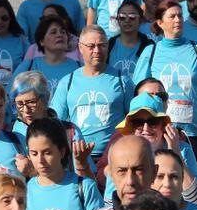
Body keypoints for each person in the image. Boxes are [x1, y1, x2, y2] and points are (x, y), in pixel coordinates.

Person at [133, 2, 197, 162]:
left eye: (180, 15)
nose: (178, 20)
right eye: (172, 16)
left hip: (195, 131)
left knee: (192, 180)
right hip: (160, 130)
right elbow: (139, 95)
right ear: (160, 23)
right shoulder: (150, 52)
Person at [49, 25, 134, 157]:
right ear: (80, 48)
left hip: (114, 157)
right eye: (91, 46)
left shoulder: (122, 80)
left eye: (102, 45)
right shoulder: (68, 82)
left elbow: (133, 118)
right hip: (78, 157)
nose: (97, 50)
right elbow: (55, 123)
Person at [23, 117, 105, 210]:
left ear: (62, 151)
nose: (40, 160)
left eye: (47, 153)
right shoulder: (24, 191)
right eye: (34, 153)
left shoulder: (85, 187)